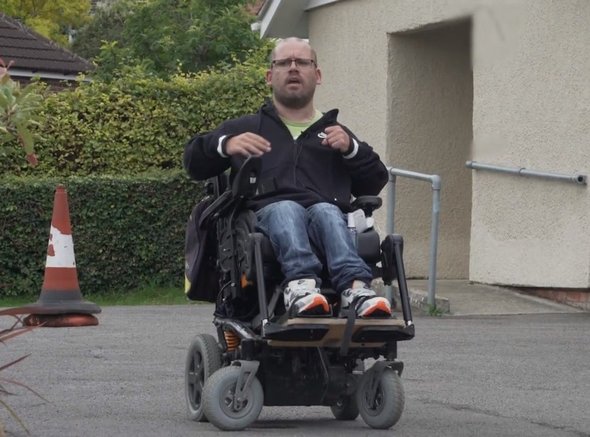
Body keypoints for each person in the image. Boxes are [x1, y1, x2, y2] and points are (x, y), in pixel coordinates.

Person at [184, 37, 391, 318]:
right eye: (284, 63)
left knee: (327, 211)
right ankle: (301, 286)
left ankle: (355, 289)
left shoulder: (335, 133)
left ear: (317, 75)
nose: (293, 68)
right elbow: (193, 162)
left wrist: (352, 150)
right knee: (286, 207)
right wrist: (225, 145)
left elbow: (374, 181)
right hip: (265, 220)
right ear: (270, 76)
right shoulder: (247, 128)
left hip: (327, 221)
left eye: (302, 62)